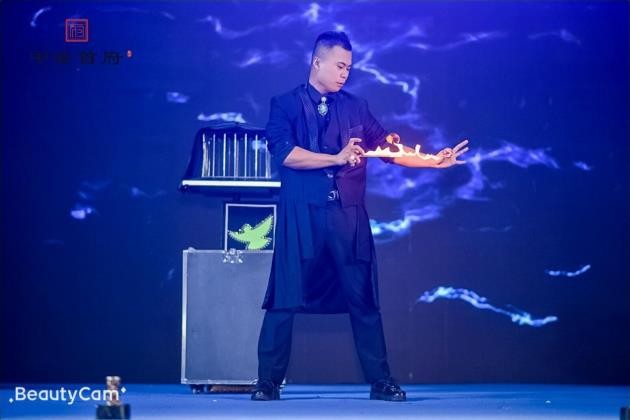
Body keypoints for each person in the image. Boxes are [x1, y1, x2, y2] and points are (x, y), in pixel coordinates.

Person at [252, 31, 469, 402]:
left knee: (363, 298)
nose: (344, 74)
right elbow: (286, 154)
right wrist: (336, 158)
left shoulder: (356, 107)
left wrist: (433, 161)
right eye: (339, 66)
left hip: (347, 217)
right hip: (301, 216)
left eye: (348, 68)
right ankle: (267, 382)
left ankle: (381, 381)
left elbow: (387, 148)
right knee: (284, 298)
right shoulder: (284, 105)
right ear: (317, 62)